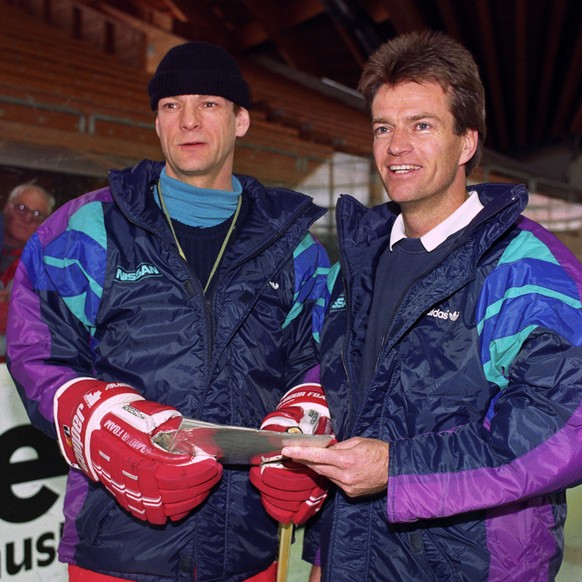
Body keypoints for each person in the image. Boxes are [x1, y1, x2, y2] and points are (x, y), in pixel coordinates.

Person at [7, 41, 332, 582]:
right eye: (171, 106)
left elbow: (322, 362)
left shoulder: (296, 248)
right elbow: (37, 353)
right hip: (117, 546)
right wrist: (92, 419)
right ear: (157, 124)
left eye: (208, 104)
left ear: (241, 120)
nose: (188, 121)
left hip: (248, 546)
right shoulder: (85, 229)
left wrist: (311, 413)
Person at [282, 30, 582, 581]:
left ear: (466, 142)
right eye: (383, 128)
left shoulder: (523, 266)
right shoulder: (356, 261)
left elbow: (562, 426)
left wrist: (400, 469)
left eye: (421, 125)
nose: (397, 146)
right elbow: (345, 407)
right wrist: (325, 557)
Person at [0, 182, 54, 358]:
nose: (28, 218)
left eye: (37, 214)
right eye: (22, 208)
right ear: (6, 207)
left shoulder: (46, 264)